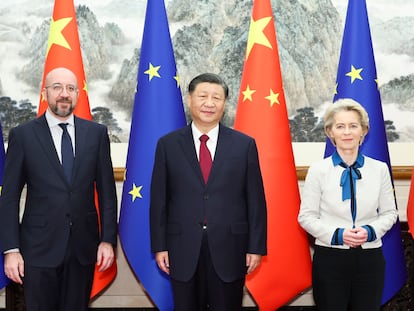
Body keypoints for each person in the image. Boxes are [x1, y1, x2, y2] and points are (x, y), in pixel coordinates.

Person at [0, 67, 118, 311]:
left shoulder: (96, 134)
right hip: (38, 249)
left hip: (83, 249)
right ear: (45, 93)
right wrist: (11, 250)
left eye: (70, 88)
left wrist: (107, 240)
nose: (64, 94)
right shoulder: (23, 136)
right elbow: (9, 197)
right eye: (57, 87)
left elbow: (107, 193)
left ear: (77, 94)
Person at [150, 73, 267, 310]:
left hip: (230, 247)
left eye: (217, 97)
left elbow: (255, 200)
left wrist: (255, 247)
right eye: (202, 96)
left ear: (225, 104)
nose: (209, 103)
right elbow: (159, 200)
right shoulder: (168, 144)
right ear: (189, 99)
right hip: (181, 247)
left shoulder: (244, 145)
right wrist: (160, 245)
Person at [298, 98, 398, 311]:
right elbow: (306, 216)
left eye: (353, 126)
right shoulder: (318, 170)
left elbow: (390, 213)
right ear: (330, 132)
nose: (347, 132)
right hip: (330, 258)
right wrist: (338, 234)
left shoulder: (379, 169)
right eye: (340, 126)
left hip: (369, 258)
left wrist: (370, 231)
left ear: (364, 131)